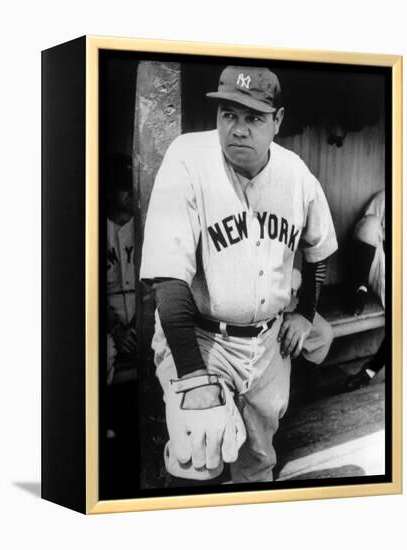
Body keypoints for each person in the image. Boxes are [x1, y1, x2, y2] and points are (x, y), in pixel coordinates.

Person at [140, 66, 338, 484]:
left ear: (277, 121)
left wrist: (307, 313)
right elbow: (168, 276)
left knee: (257, 462)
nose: (239, 129)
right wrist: (194, 377)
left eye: (254, 117)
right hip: (200, 335)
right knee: (197, 453)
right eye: (229, 114)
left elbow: (318, 248)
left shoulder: (296, 173)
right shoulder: (188, 158)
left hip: (267, 345)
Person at [345, 190, 385, 391]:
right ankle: (359, 289)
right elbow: (363, 233)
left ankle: (369, 371)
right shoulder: (386, 196)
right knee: (370, 223)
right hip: (381, 264)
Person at [106, 153, 137, 382]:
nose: (130, 193)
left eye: (132, 186)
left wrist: (138, 327)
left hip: (143, 321)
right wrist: (117, 329)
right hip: (107, 324)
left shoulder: (145, 225)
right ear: (109, 190)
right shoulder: (93, 227)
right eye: (124, 187)